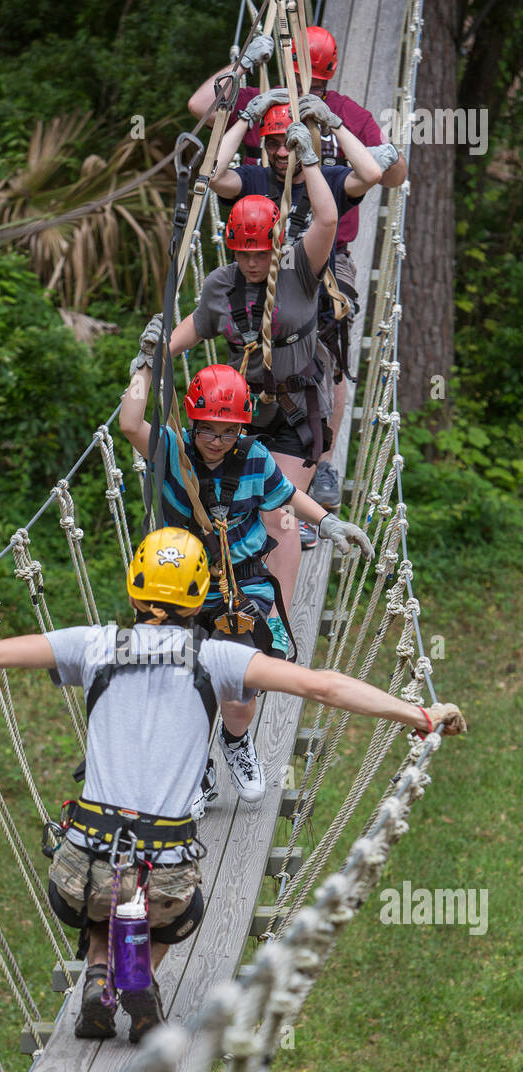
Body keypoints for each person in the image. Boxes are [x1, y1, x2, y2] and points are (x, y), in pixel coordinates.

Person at [0, 531, 466, 1043]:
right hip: (163, 875)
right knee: (177, 908)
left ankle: (101, 972)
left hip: (79, 868)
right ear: (201, 597)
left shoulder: (94, 645)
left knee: (102, 878)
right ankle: (131, 974)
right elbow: (323, 685)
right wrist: (417, 714)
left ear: (134, 586)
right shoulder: (219, 657)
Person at [120, 348, 374, 815]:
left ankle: (235, 740)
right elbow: (131, 423)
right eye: (208, 430)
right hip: (182, 590)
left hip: (243, 587)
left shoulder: (254, 456)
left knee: (238, 687)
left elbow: (288, 494)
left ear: (242, 428)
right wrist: (145, 367)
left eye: (229, 430)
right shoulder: (173, 453)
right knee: (181, 684)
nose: (217, 441)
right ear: (193, 424)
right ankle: (195, 765)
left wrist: (329, 524)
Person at [189, 24, 407, 512]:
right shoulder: (258, 101)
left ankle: (318, 456)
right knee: (249, 341)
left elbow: (385, 174)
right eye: (275, 145)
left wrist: (330, 126)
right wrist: (245, 70)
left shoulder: (343, 116)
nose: (282, 150)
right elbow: (203, 112)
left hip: (323, 265)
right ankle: (249, 441)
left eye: (320, 85)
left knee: (328, 333)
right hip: (256, 266)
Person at [168, 135, 343, 615]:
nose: (252, 262)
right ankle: (231, 603)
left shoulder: (299, 272)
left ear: (276, 245)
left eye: (260, 252)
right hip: (238, 413)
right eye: (243, 253)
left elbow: (327, 219)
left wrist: (310, 159)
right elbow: (199, 324)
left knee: (278, 514)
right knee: (227, 511)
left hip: (296, 411)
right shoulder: (221, 284)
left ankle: (277, 619)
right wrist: (156, 352)